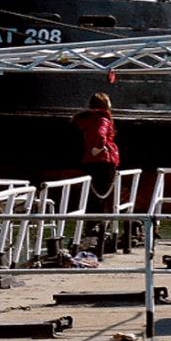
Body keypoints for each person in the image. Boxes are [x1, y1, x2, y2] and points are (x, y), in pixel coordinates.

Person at [71, 92, 120, 238]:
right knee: (102, 194)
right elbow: (100, 135)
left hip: (91, 162)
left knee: (94, 195)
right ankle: (96, 226)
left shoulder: (87, 119)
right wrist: (98, 148)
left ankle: (91, 226)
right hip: (104, 161)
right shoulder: (102, 118)